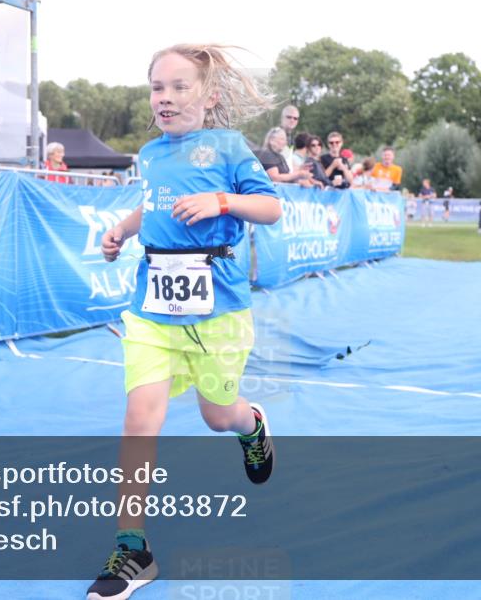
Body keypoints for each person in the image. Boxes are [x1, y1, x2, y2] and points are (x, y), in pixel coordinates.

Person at [91, 44, 281, 600]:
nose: (166, 98)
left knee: (218, 415)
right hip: (151, 307)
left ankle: (252, 427)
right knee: (138, 417)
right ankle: (133, 549)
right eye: (157, 87)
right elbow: (152, 205)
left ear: (209, 96)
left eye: (180, 86)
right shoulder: (149, 153)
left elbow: (269, 207)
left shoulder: (225, 146)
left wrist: (222, 201)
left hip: (217, 307)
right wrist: (122, 232)